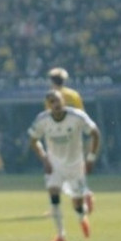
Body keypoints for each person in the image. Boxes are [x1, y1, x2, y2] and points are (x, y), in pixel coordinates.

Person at [28, 90, 101, 241]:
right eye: (52, 102)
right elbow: (33, 140)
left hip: (75, 164)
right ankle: (61, 236)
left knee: (77, 204)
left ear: (64, 102)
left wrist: (90, 159)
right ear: (48, 105)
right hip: (55, 164)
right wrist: (45, 158)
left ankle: (82, 215)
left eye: (58, 101)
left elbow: (95, 134)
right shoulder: (43, 119)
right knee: (54, 194)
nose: (56, 104)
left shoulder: (77, 116)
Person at [49, 67, 94, 212]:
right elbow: (82, 115)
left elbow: (50, 117)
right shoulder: (74, 95)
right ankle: (85, 193)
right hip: (74, 138)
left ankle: (60, 202)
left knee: (58, 172)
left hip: (59, 138)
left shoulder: (52, 97)